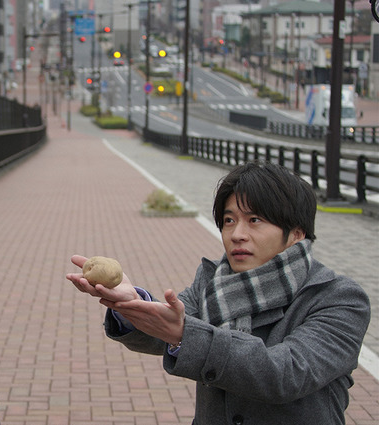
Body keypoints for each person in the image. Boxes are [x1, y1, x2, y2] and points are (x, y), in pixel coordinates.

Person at [67, 161, 371, 425]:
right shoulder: (214, 280)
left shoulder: (338, 298)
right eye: (229, 220)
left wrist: (184, 334)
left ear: (296, 234)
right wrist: (133, 306)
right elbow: (168, 327)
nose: (237, 233)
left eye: (255, 220)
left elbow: (284, 374)